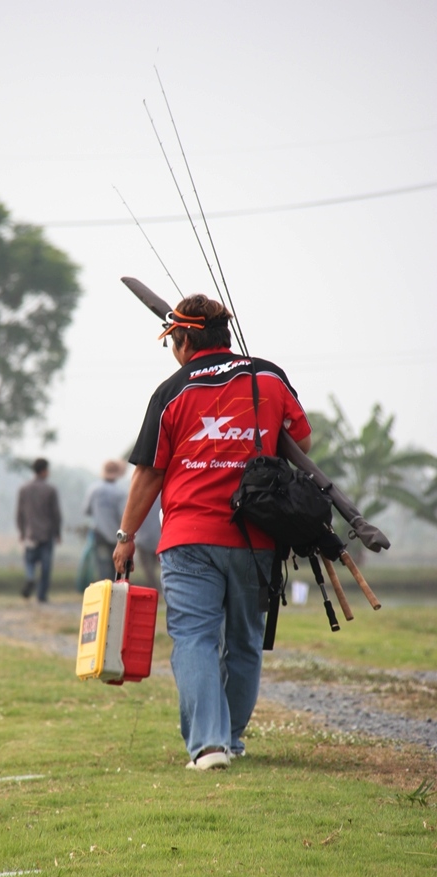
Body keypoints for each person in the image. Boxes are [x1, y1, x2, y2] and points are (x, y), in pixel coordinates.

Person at [113, 295, 311, 771]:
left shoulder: (171, 391)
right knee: (244, 640)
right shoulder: (269, 377)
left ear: (183, 341)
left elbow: (148, 475)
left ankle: (209, 746)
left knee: (195, 638)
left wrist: (125, 535)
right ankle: (231, 740)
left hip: (187, 538)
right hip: (256, 537)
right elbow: (300, 442)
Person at [16, 457, 62, 603]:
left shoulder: (24, 489)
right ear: (43, 471)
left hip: (30, 533)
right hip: (46, 533)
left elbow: (19, 513)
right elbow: (56, 513)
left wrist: (22, 532)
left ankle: (30, 578)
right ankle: (41, 595)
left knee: (29, 561)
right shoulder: (50, 490)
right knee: (46, 566)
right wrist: (57, 532)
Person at [83, 460, 127, 581]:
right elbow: (123, 515)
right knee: (116, 564)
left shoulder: (94, 489)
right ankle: (115, 590)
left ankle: (105, 591)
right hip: (117, 535)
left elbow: (86, 510)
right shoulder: (121, 493)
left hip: (99, 534)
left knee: (102, 564)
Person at [134, 492, 162, 592]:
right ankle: (158, 591)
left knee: (148, 570)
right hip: (158, 540)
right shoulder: (162, 498)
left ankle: (154, 591)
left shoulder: (141, 496)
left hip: (143, 540)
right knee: (157, 569)